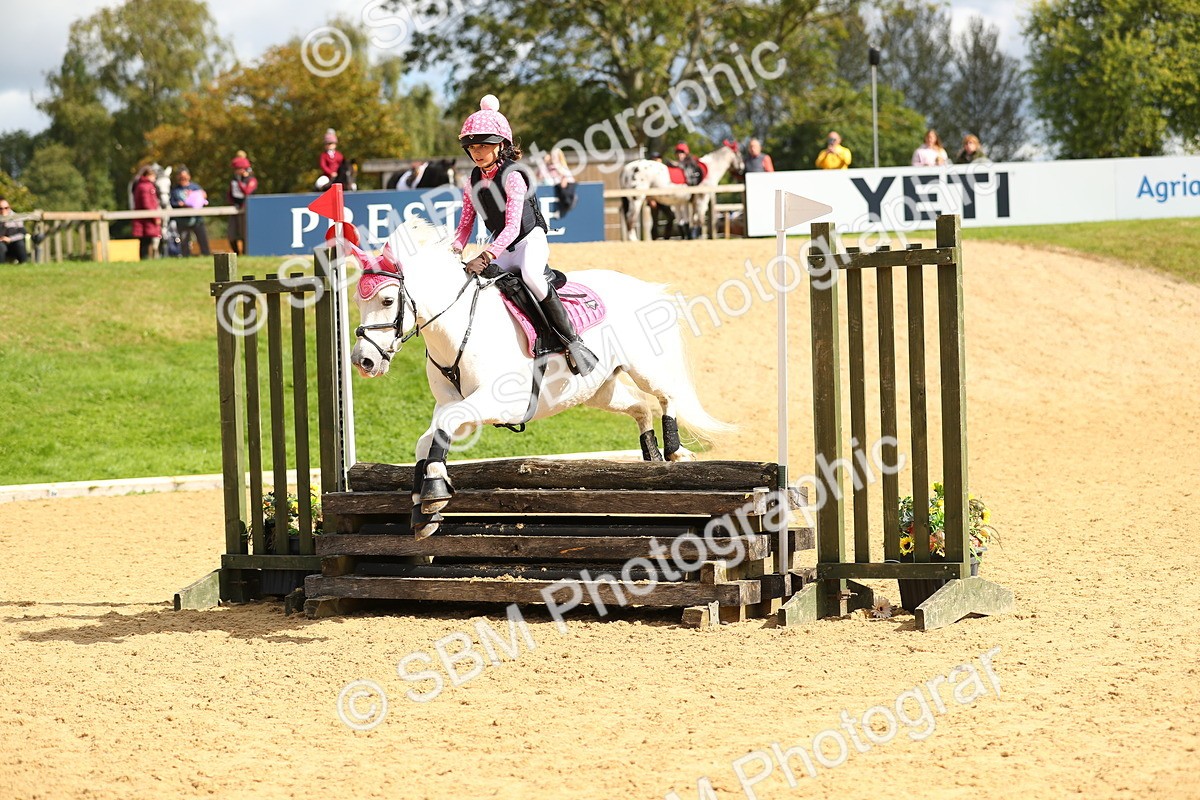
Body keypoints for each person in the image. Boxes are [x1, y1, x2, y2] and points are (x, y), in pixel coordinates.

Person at [452, 94, 598, 376]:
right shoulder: (471, 181)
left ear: (501, 145)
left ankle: (573, 342)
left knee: (531, 275)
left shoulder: (514, 176)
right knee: (479, 284)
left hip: (529, 239)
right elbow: (464, 226)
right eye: (472, 146)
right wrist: (454, 249)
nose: (477, 152)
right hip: (504, 246)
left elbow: (512, 227)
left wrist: (485, 255)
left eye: (485, 145)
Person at [170, 166, 211, 256]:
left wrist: (203, 197)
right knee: (184, 241)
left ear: (189, 176)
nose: (182, 179)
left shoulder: (195, 187)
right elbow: (172, 203)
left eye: (184, 177)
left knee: (202, 239)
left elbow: (202, 201)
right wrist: (180, 204)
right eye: (180, 177)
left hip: (197, 219)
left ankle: (206, 255)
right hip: (183, 220)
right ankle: (186, 257)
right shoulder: (175, 190)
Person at [226, 152, 258, 255]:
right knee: (232, 234)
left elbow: (247, 192)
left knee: (245, 234)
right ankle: (236, 253)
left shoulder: (251, 180)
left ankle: (245, 253)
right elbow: (230, 194)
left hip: (246, 210)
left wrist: (240, 183)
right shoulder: (234, 180)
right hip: (236, 209)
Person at [131, 167, 163, 260]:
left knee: (145, 241)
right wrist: (155, 217)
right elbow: (147, 204)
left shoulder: (141, 185)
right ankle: (146, 259)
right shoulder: (145, 186)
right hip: (146, 220)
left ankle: (147, 258)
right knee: (146, 241)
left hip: (145, 219)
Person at [541, 148, 577, 215]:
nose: (553, 158)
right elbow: (540, 175)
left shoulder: (562, 167)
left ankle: (568, 201)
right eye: (552, 156)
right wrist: (544, 162)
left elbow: (566, 178)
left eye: (555, 156)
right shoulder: (550, 167)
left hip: (565, 188)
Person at [0, 198, 30, 263]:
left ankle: (24, 264)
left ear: (9, 207)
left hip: (13, 242)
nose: (3, 210)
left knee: (20, 244)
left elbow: (22, 233)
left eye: (6, 208)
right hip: (1, 243)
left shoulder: (16, 217)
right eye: (0, 208)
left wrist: (10, 239)